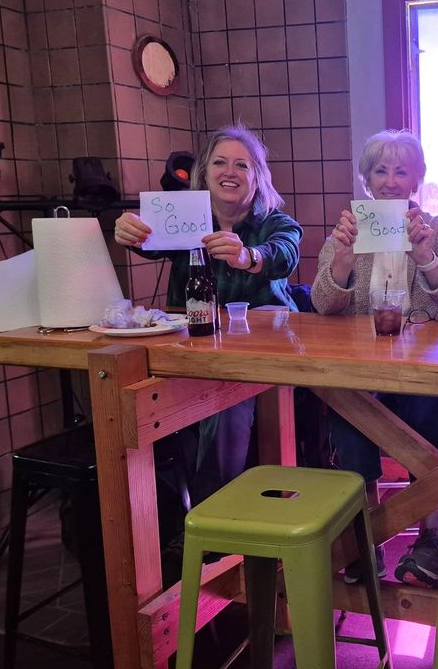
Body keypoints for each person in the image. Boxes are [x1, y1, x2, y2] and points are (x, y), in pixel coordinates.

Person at [114, 123, 301, 525]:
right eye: (220, 162)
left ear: (257, 178)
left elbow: (286, 251)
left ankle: (211, 527)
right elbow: (143, 240)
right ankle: (185, 523)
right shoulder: (183, 218)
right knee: (145, 407)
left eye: (242, 165)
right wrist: (128, 230)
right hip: (191, 351)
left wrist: (248, 255)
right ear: (204, 172)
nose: (229, 172)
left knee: (222, 408)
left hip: (259, 355)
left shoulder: (273, 221)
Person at [312, 129, 438, 588]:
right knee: (351, 406)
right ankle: (366, 537)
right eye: (381, 170)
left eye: (402, 171)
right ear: (367, 179)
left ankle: (430, 537)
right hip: (363, 370)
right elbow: (323, 305)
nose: (391, 180)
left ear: (416, 179)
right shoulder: (349, 231)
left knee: (422, 408)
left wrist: (427, 257)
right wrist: (340, 258)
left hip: (422, 373)